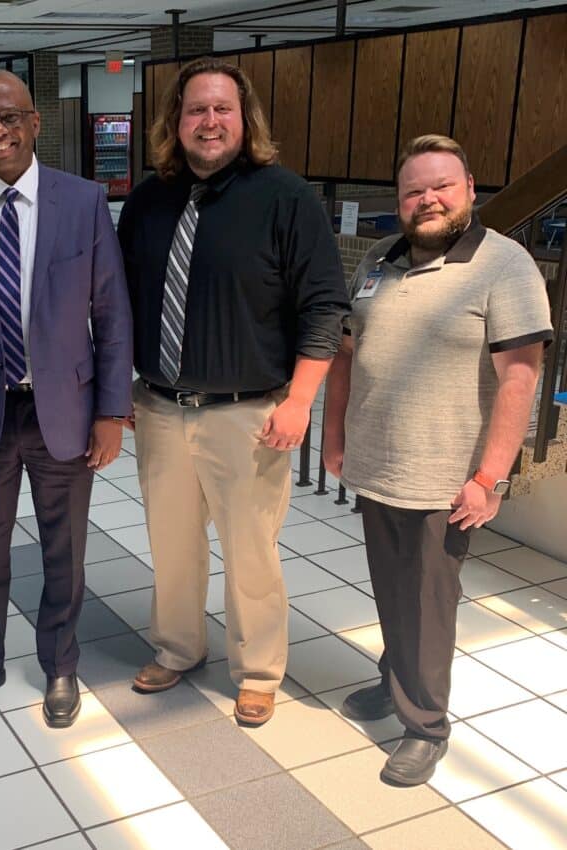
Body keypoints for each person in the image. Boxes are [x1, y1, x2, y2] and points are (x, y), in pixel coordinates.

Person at [117, 57, 349, 726]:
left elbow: (325, 305)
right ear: (176, 121)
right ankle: (179, 647)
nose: (209, 121)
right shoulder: (148, 200)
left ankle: (257, 670)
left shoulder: (286, 198)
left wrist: (301, 399)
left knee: (250, 552)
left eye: (223, 109)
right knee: (172, 543)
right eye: (196, 110)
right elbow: (124, 301)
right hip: (160, 408)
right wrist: (123, 391)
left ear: (244, 120)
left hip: (249, 414)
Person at [323, 134, 552, 785]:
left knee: (428, 601)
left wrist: (490, 478)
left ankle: (425, 725)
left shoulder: (504, 265)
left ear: (469, 191)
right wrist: (335, 438)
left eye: (440, 187)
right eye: (413, 190)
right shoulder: (378, 260)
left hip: (445, 479)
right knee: (391, 589)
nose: (427, 200)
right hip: (376, 467)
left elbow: (518, 380)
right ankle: (395, 678)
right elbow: (346, 353)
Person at [0, 71, 132, 728]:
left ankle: (61, 664)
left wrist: (112, 412)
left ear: (35, 123)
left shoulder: (84, 201)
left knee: (63, 550)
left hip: (63, 411)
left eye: (10, 118)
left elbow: (113, 314)